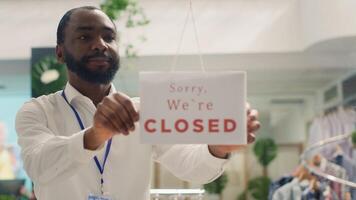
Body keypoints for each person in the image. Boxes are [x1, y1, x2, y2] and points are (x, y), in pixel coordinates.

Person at [15, 6, 261, 200]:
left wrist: (218, 148)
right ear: (60, 53)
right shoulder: (38, 111)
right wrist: (95, 135)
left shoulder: (145, 109)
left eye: (109, 37)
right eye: (84, 36)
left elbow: (189, 164)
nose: (101, 44)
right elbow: (39, 166)